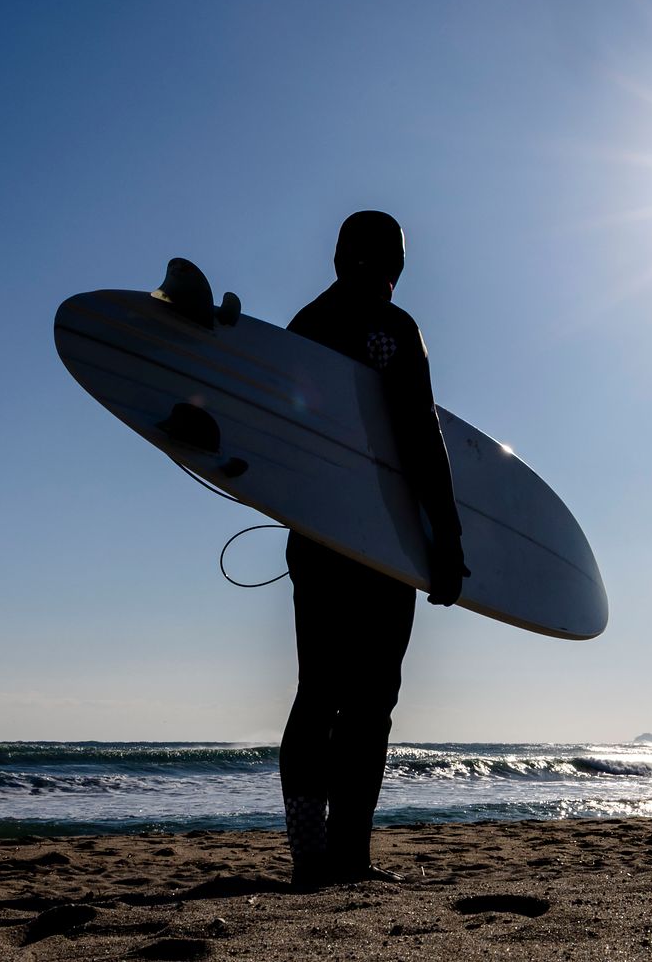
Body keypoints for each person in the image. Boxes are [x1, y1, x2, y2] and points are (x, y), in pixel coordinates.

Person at [279, 210, 468, 888]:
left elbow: (282, 438)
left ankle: (311, 859)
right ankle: (347, 859)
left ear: (337, 256)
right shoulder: (392, 327)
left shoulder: (302, 326)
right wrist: (445, 539)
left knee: (318, 695)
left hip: (317, 538)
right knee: (368, 702)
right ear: (395, 264)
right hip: (382, 540)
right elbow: (418, 431)